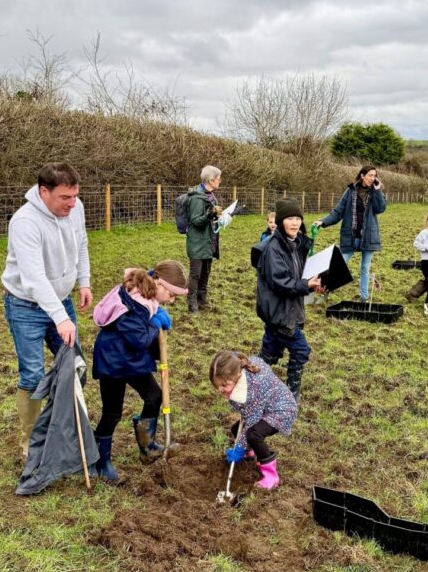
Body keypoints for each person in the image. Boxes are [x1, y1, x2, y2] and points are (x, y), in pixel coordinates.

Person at [3, 162, 92, 459]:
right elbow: (34, 279)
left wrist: (83, 281)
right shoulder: (25, 222)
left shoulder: (75, 209)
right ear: (44, 192)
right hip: (24, 306)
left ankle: (63, 429)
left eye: (75, 196)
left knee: (75, 368)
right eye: (65, 197)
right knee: (32, 375)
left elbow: (81, 243)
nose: (72, 203)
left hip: (61, 301)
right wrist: (61, 318)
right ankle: (31, 444)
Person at [90, 261, 188, 483]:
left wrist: (155, 317)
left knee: (154, 396)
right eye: (171, 295)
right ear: (159, 283)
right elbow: (139, 339)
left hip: (131, 358)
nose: (172, 300)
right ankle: (100, 463)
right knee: (112, 413)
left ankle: (147, 446)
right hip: (113, 361)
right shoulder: (133, 302)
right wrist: (155, 324)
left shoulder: (147, 294)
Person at [250, 197, 323, 402]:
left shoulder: (295, 243)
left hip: (287, 308)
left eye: (298, 218)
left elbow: (298, 274)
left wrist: (313, 282)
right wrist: (305, 285)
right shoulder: (274, 248)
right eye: (290, 218)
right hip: (280, 311)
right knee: (301, 351)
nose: (295, 223)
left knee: (269, 353)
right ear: (281, 221)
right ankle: (291, 396)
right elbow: (280, 282)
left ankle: (247, 382)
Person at [209, 350, 298, 490]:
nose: (220, 389)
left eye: (224, 385)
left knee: (253, 435)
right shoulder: (239, 367)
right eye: (217, 385)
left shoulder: (252, 389)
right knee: (236, 429)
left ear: (237, 376)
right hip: (264, 406)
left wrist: (240, 447)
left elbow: (252, 422)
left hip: (281, 410)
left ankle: (271, 476)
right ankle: (249, 452)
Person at [313, 165, 388, 302]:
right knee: (339, 266)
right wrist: (323, 221)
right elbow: (338, 212)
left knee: (365, 269)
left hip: (368, 237)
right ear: (362, 176)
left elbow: (380, 208)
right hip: (350, 236)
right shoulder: (350, 191)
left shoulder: (375, 193)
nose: (373, 178)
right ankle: (325, 292)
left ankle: (364, 298)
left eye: (375, 176)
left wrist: (378, 191)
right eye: (370, 175)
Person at [185, 165, 223, 312]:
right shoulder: (197, 198)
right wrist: (210, 214)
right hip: (197, 242)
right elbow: (196, 221)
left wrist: (220, 217)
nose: (220, 181)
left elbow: (210, 218)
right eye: (218, 179)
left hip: (208, 240)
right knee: (196, 274)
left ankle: (202, 300)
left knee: (206, 271)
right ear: (211, 180)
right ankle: (192, 303)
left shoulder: (211, 196)